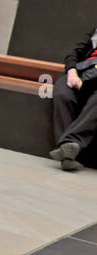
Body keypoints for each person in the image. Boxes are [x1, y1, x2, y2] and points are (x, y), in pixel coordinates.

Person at [50, 25, 97, 171]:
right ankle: (68, 154)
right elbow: (73, 54)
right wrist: (71, 73)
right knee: (62, 93)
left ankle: (69, 146)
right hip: (83, 72)